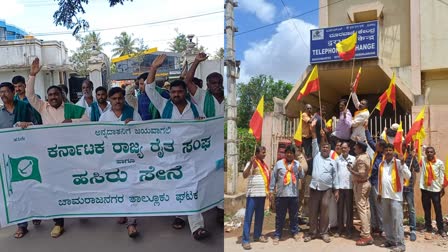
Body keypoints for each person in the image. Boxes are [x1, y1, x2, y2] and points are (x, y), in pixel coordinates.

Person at [145, 54, 209, 241]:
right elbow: (149, 89)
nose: (176, 95)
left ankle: (197, 227)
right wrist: (153, 68)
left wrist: (200, 126)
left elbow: (205, 130)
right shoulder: (164, 105)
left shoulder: (196, 110)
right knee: (177, 186)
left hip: (191, 157)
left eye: (179, 92)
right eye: (173, 93)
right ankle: (180, 215)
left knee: (190, 187)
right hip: (170, 157)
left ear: (185, 93)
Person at [26, 57, 89, 238]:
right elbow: (30, 96)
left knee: (75, 184)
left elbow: (87, 124)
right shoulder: (43, 108)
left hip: (71, 155)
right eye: (50, 95)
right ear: (47, 98)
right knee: (55, 189)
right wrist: (32, 74)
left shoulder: (74, 110)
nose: (53, 97)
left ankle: (81, 210)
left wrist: (72, 121)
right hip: (51, 156)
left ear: (62, 96)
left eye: (56, 94)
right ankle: (58, 223)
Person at [98, 87, 141, 237]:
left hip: (130, 159)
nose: (117, 101)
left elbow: (143, 133)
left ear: (124, 98)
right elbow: (99, 138)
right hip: (112, 160)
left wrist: (134, 125)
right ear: (109, 100)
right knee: (117, 188)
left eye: (120, 98)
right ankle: (122, 212)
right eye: (114, 98)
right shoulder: (104, 117)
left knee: (130, 188)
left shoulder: (133, 113)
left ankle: (132, 223)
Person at [0, 82, 39, 239]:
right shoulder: (0, 113)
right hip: (10, 160)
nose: (3, 95)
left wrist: (27, 124)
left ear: (12, 92)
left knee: (33, 187)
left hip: (28, 155)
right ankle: (22, 225)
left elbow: (37, 125)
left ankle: (36, 213)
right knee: (16, 192)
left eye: (5, 92)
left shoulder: (24, 107)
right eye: (0, 92)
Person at [304, 119, 339, 243]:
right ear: (320, 148)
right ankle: (312, 232)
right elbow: (314, 140)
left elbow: (335, 177)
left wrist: (336, 190)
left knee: (325, 210)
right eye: (323, 147)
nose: (325, 149)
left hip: (327, 189)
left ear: (330, 150)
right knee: (313, 210)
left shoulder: (333, 162)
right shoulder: (316, 155)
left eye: (327, 147)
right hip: (314, 187)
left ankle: (324, 232)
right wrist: (313, 130)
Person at [269, 145, 305, 245]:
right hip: (281, 195)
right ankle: (277, 234)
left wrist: (300, 170)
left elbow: (302, 177)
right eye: (287, 152)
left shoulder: (297, 164)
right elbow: (274, 178)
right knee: (280, 216)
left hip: (293, 195)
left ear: (294, 154)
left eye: (291, 153)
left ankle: (295, 232)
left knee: (294, 215)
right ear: (285, 153)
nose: (289, 154)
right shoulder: (279, 164)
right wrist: (271, 190)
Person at [377, 143, 410, 252]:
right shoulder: (381, 164)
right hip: (385, 196)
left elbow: (408, 176)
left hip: (396, 197)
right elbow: (380, 180)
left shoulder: (399, 163)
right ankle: (390, 240)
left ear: (393, 151)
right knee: (386, 220)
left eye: (390, 150)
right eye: (386, 150)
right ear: (384, 152)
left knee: (397, 221)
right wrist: (379, 193)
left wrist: (403, 163)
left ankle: (400, 244)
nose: (388, 152)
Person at [241, 146, 270, 250]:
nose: (264, 154)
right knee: (248, 218)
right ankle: (245, 240)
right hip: (252, 195)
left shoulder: (264, 165)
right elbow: (244, 175)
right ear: (257, 153)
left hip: (261, 195)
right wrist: (250, 164)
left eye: (265, 152)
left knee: (259, 217)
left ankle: (257, 236)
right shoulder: (252, 162)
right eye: (263, 152)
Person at [347, 141, 374, 245]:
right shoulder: (366, 155)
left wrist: (350, 170)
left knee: (362, 209)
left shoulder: (361, 159)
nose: (354, 148)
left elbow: (362, 174)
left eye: (356, 147)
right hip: (365, 184)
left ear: (360, 149)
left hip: (361, 184)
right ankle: (367, 231)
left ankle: (366, 235)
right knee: (366, 208)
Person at [185, 52, 224, 118]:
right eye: (213, 83)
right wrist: (196, 61)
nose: (217, 85)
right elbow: (188, 81)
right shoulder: (202, 95)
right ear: (208, 85)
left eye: (219, 82)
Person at [420, 146, 447, 239]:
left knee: (438, 210)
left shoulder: (439, 163)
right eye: (428, 152)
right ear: (426, 153)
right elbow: (419, 148)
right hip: (425, 189)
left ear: (434, 153)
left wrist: (442, 188)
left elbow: (442, 175)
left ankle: (441, 229)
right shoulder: (423, 160)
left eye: (431, 152)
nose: (429, 154)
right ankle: (428, 227)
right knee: (426, 209)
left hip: (435, 190)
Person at [365, 127, 386, 236]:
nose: (375, 145)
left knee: (379, 206)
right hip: (372, 182)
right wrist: (366, 129)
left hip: (378, 184)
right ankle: (374, 226)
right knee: (372, 205)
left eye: (377, 145)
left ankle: (382, 228)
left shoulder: (384, 157)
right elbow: (370, 141)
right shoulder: (376, 153)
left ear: (381, 147)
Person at [334, 142, 355, 238]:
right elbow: (335, 175)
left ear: (349, 149)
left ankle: (349, 229)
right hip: (340, 188)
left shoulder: (353, 159)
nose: (343, 149)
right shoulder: (337, 159)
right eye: (342, 148)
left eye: (345, 148)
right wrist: (336, 189)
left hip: (350, 188)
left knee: (349, 209)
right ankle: (340, 229)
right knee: (340, 209)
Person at [402, 143, 419, 241]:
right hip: (398, 188)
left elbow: (417, 169)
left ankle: (413, 230)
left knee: (411, 208)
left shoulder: (410, 157)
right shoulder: (396, 157)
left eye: (403, 145)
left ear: (406, 147)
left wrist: (414, 158)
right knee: (398, 208)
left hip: (408, 188)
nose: (402, 147)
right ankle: (400, 229)